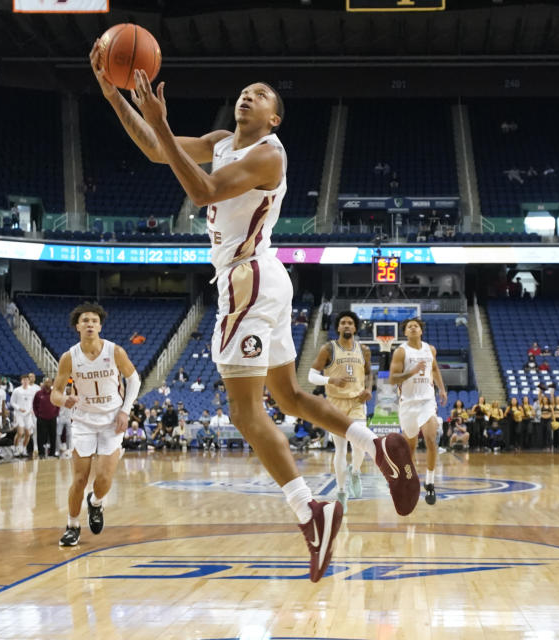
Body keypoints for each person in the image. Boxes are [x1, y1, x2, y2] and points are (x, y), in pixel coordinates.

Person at [95, 50, 420, 581]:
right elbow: (160, 151)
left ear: (274, 118)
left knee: (247, 412)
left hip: (248, 277)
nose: (248, 94)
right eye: (245, 90)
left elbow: (201, 191)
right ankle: (376, 442)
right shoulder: (224, 141)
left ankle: (310, 512)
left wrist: (161, 123)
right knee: (288, 396)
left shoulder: (270, 155)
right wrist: (116, 99)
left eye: (262, 94)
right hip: (263, 279)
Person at [51, 303, 139, 548]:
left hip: (112, 420)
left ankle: (96, 502)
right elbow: (55, 394)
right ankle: (72, 525)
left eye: (94, 320)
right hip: (83, 421)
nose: (90, 324)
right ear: (77, 326)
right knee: (79, 478)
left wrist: (125, 410)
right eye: (85, 320)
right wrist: (65, 400)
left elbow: (134, 380)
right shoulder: (69, 357)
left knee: (104, 478)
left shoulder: (115, 351)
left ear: (100, 325)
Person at [307, 311, 370, 512]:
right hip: (335, 404)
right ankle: (342, 491)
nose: (346, 325)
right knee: (341, 449)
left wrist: (368, 389)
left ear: (355, 328)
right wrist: (330, 380)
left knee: (360, 446)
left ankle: (356, 472)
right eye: (343, 323)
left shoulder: (364, 350)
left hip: (357, 403)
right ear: (338, 328)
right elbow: (311, 376)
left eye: (350, 323)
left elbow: (368, 374)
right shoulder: (328, 349)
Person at [388, 318, 446, 507]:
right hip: (408, 404)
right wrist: (412, 371)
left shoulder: (431, 349)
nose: (413, 328)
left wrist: (442, 389)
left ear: (421, 330)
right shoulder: (401, 351)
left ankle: (430, 482)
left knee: (431, 438)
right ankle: (411, 482)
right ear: (405, 332)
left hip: (427, 401)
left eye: (416, 326)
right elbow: (392, 379)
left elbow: (435, 369)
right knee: (410, 448)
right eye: (409, 326)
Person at [33, 376, 60, 458]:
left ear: (52, 383)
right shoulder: (38, 394)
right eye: (46, 382)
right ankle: (41, 453)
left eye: (49, 382)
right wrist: (37, 414)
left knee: (53, 436)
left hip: (52, 418)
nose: (47, 383)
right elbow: (34, 405)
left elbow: (58, 404)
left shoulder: (54, 393)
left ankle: (52, 453)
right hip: (41, 418)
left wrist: (56, 413)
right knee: (40, 436)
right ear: (43, 383)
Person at [10, 374, 36, 458]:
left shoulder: (32, 390)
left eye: (26, 380)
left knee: (28, 434)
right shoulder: (17, 390)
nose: (25, 381)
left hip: (28, 415)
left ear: (29, 381)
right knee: (20, 433)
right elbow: (12, 402)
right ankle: (16, 449)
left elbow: (33, 402)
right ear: (21, 381)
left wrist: (32, 409)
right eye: (23, 380)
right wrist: (19, 408)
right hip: (19, 414)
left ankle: (24, 449)